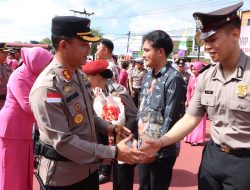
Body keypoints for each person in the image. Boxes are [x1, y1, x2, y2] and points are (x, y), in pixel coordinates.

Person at [140, 2, 250, 190]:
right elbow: (191, 117)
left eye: (212, 39)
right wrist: (160, 142)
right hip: (212, 157)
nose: (206, 47)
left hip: (244, 162)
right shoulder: (206, 76)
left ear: (235, 35)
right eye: (204, 41)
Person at [29, 16, 144, 190]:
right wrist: (114, 152)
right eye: (83, 44)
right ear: (63, 45)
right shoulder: (48, 87)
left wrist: (109, 127)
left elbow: (88, 115)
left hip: (88, 171)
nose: (89, 49)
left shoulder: (79, 75)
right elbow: (63, 142)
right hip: (64, 178)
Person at [137, 30, 186, 190]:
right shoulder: (148, 76)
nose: (143, 55)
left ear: (160, 51)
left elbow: (171, 119)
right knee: (144, 186)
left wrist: (155, 151)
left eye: (146, 50)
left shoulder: (174, 79)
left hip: (161, 152)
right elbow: (142, 110)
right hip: (144, 147)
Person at [0, 47, 53, 190]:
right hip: (12, 129)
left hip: (24, 129)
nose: (46, 68)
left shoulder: (33, 75)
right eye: (45, 64)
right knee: (12, 172)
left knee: (24, 170)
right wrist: (53, 106)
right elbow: (27, 105)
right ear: (35, 62)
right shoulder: (19, 76)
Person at [83, 59, 138, 190]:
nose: (85, 80)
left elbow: (133, 116)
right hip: (103, 140)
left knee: (122, 177)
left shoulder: (118, 91)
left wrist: (120, 132)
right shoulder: (91, 91)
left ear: (96, 76)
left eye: (87, 76)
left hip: (122, 139)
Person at [184, 62, 206, 146]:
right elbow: (188, 90)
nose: (193, 71)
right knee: (190, 119)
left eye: (195, 69)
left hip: (201, 102)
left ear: (200, 69)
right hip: (192, 101)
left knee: (199, 121)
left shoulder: (203, 78)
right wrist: (188, 100)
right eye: (192, 69)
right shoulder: (191, 78)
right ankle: (189, 138)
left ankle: (197, 139)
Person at [0, 43, 12, 109]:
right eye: (4, 52)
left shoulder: (6, 65)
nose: (6, 54)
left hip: (6, 100)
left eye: (7, 52)